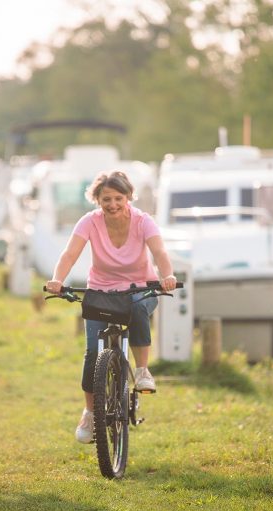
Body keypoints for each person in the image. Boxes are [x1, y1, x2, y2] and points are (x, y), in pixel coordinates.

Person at [46, 170, 177, 444]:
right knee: (93, 353)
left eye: (119, 198)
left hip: (140, 288)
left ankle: (142, 371)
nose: (113, 204)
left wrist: (167, 276)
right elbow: (70, 253)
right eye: (106, 199)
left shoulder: (143, 221)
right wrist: (58, 280)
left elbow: (160, 252)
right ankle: (90, 412)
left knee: (138, 308)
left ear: (128, 197)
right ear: (97, 199)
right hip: (102, 291)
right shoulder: (89, 222)